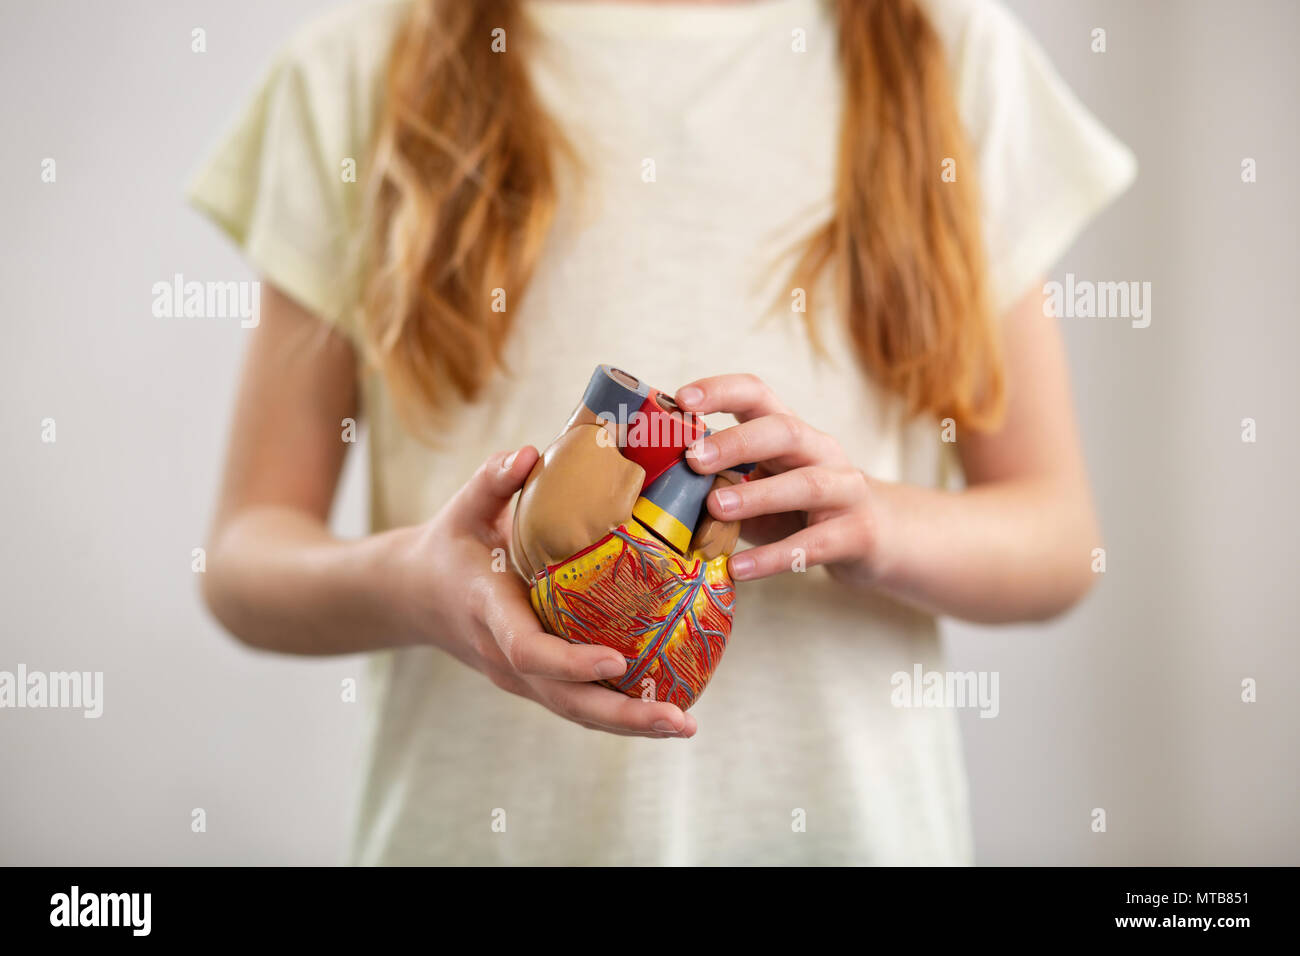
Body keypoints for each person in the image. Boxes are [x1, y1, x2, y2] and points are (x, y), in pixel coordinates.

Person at [188, 0, 1136, 864]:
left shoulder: (955, 56)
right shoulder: (359, 67)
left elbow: (1060, 543)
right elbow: (244, 561)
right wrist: (412, 584)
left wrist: (871, 525)